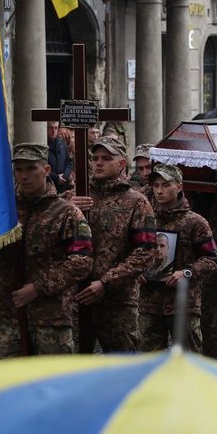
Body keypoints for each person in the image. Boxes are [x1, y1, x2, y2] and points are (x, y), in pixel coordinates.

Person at [0, 144, 93, 358]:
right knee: (3, 384)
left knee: (52, 386)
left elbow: (82, 261)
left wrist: (37, 287)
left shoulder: (66, 213)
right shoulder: (4, 211)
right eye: (19, 170)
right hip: (9, 313)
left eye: (31, 169)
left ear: (46, 170)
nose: (24, 176)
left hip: (50, 317)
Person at [72, 135, 156, 353]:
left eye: (106, 158)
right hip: (75, 297)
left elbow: (145, 251)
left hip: (118, 301)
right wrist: (66, 209)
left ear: (121, 164)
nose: (98, 162)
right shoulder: (76, 196)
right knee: (71, 371)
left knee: (123, 368)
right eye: (95, 157)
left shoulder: (136, 201)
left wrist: (106, 282)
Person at [138, 164, 217, 353]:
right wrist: (137, 271)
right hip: (149, 303)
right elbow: (134, 251)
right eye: (156, 185)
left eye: (166, 185)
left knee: (189, 362)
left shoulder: (195, 222)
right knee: (149, 362)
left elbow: (213, 259)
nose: (159, 191)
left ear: (179, 187)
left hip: (183, 304)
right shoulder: (145, 219)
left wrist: (187, 272)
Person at [47, 120, 73, 194]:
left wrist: (64, 176)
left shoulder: (61, 143)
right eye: (51, 128)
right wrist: (56, 177)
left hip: (63, 185)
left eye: (56, 128)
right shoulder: (43, 145)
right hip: (49, 185)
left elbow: (69, 162)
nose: (53, 131)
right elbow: (41, 166)